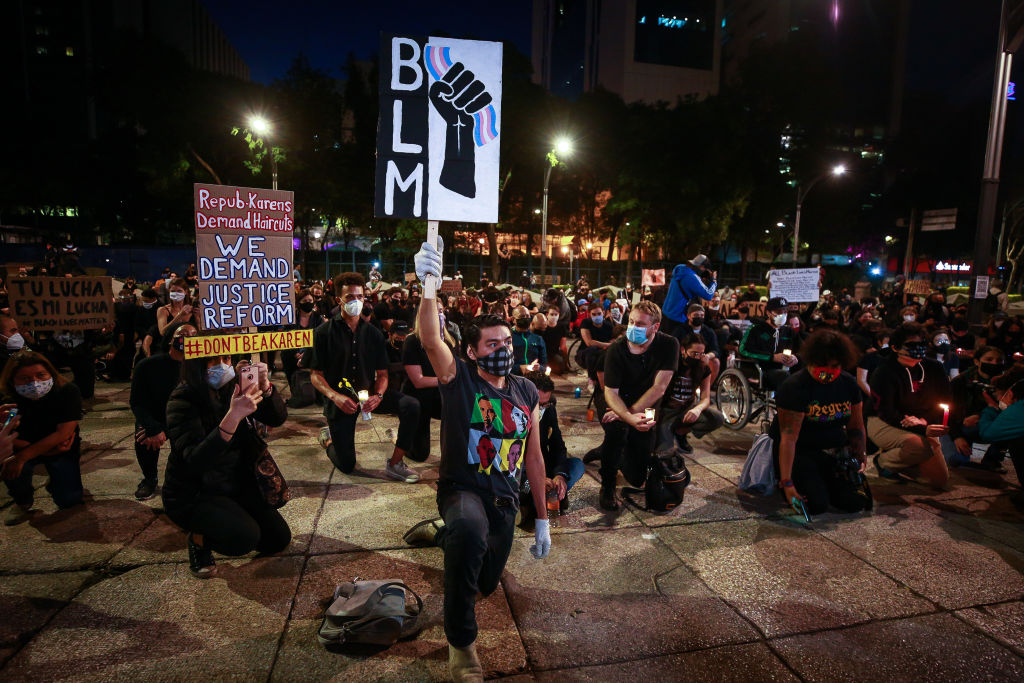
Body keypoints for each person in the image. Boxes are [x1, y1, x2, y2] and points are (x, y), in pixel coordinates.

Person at [403, 238, 550, 682]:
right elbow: (430, 339)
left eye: (506, 340)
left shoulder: (526, 391)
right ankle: (461, 644)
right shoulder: (459, 378)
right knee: (468, 531)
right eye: (491, 344)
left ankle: (444, 537)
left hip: (505, 501)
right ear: (472, 352)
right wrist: (429, 286)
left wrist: (542, 517)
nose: (502, 349)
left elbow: (535, 458)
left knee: (485, 581)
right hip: (463, 490)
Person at [163, 353, 290, 577]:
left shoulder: (237, 384)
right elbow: (195, 460)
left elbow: (277, 418)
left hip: (235, 483)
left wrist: (266, 387)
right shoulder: (182, 398)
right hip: (196, 492)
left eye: (227, 358)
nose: (222, 366)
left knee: (277, 539)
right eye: (212, 361)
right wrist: (233, 416)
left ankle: (232, 518)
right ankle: (198, 539)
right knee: (243, 538)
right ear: (197, 363)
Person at [307, 272, 421, 483]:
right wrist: (334, 397)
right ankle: (328, 440)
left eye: (360, 297)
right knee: (346, 464)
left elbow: (383, 374)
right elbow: (315, 375)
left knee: (411, 405)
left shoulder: (374, 334)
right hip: (341, 400)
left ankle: (396, 463)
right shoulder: (323, 333)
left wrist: (378, 395)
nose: (356, 301)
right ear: (338, 299)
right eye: (350, 297)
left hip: (368, 393)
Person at [772, 330, 871, 515]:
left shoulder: (848, 384)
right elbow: (788, 438)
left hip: (833, 450)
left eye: (834, 366)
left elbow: (856, 426)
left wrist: (860, 454)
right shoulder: (795, 387)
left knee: (855, 502)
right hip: (802, 450)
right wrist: (787, 482)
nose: (828, 372)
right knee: (817, 505)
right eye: (822, 365)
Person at [598, 301, 678, 511]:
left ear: (655, 327)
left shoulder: (669, 345)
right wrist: (624, 415)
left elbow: (659, 388)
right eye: (631, 321)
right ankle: (607, 485)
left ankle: (619, 453)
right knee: (615, 433)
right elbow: (610, 392)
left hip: (648, 402)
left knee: (636, 476)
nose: (633, 327)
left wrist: (630, 415)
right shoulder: (617, 349)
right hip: (616, 402)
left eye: (641, 323)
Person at [0, 351, 83, 525]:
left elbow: (64, 433)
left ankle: (56, 483)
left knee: (69, 501)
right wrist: (20, 452)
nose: (34, 383)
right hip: (23, 446)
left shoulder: (67, 391)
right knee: (11, 467)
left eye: (40, 375)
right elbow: (5, 432)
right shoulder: (8, 400)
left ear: (51, 373)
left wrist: (25, 455)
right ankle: (22, 500)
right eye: (24, 378)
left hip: (58, 446)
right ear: (12, 380)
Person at [867, 322, 952, 487]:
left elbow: (945, 398)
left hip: (922, 422)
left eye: (922, 344)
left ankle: (904, 460)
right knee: (918, 446)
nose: (918, 349)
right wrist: (920, 428)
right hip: (884, 421)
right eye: (912, 345)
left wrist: (925, 421)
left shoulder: (934, 367)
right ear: (895, 347)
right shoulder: (884, 371)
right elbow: (886, 411)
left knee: (938, 481)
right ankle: (884, 462)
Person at [129, 322, 194, 501]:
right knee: (143, 436)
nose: (187, 338)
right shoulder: (147, 366)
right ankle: (149, 479)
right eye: (182, 334)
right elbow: (136, 402)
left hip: (182, 419)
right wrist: (153, 428)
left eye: (192, 334)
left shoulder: (198, 368)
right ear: (170, 339)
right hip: (154, 417)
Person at [518, 370, 583, 521]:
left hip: (543, 466)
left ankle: (547, 495)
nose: (541, 408)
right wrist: (535, 479)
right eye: (538, 404)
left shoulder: (548, 410)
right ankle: (533, 500)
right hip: (521, 473)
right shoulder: (512, 414)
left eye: (545, 404)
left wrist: (559, 475)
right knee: (525, 488)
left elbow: (557, 445)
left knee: (576, 465)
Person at [656, 334, 724, 456]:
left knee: (717, 418)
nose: (697, 357)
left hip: (686, 409)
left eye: (701, 354)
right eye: (694, 353)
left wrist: (697, 409)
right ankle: (668, 431)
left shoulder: (703, 368)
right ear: (683, 350)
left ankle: (681, 432)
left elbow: (705, 398)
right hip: (667, 411)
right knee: (664, 452)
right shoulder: (672, 363)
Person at [948, 346, 1007, 471]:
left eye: (999, 361)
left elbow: (1011, 412)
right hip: (962, 424)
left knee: (1011, 429)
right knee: (955, 460)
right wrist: (957, 437)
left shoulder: (1006, 382)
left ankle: (993, 458)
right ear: (977, 361)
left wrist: (980, 416)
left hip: (991, 424)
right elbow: (949, 412)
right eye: (989, 359)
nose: (994, 364)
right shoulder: (961, 381)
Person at [402, 316, 451, 463]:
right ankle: (403, 440)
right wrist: (445, 380)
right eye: (434, 312)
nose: (438, 316)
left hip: (440, 394)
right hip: (418, 397)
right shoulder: (412, 341)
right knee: (420, 454)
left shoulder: (449, 340)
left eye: (441, 311)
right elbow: (419, 381)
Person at [739, 297, 800, 389]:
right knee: (784, 376)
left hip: (785, 368)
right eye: (779, 312)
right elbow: (743, 350)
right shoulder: (756, 329)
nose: (782, 315)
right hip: (761, 370)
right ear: (768, 313)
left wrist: (796, 357)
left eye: (785, 312)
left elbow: (802, 349)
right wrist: (772, 357)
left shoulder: (788, 331)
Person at [978, 376, 1024, 487]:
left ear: (1010, 394)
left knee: (1015, 440)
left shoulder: (1017, 408)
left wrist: (991, 408)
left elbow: (987, 434)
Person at [660, 254, 717, 339]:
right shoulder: (692, 277)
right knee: (675, 345)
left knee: (664, 341)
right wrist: (714, 281)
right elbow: (708, 295)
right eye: (704, 269)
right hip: (678, 316)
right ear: (701, 266)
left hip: (665, 313)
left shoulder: (679, 268)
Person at [281, 289, 324, 385]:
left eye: (310, 301)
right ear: (298, 303)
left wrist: (307, 354)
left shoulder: (318, 319)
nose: (308, 303)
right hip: (291, 359)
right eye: (305, 301)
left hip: (312, 360)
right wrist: (295, 352)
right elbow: (284, 339)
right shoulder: (290, 318)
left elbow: (321, 340)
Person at [675, 304, 721, 385]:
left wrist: (708, 356)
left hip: (702, 358)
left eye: (702, 315)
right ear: (688, 316)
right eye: (696, 315)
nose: (699, 317)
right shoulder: (680, 330)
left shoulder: (709, 331)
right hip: (685, 357)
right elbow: (675, 347)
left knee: (715, 362)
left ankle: (706, 388)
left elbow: (716, 350)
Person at [577, 302, 613, 372]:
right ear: (589, 315)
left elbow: (613, 340)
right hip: (585, 353)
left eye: (599, 314)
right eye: (594, 314)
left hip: (602, 351)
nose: (597, 316)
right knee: (592, 349)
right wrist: (608, 345)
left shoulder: (609, 325)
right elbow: (589, 343)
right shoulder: (586, 323)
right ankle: (591, 378)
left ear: (603, 312)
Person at [510, 306, 546, 375]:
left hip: (533, 376)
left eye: (527, 316)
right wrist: (520, 368)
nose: (525, 318)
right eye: (522, 316)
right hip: (514, 377)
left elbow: (544, 365)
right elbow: (502, 366)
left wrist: (539, 368)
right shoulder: (508, 339)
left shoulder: (538, 339)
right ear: (513, 319)